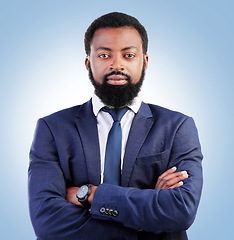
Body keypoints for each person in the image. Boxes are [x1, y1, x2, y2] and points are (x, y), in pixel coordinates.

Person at [28, 12, 203, 240]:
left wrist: (91, 195)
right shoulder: (52, 128)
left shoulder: (178, 127)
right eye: (104, 55)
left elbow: (181, 211)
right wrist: (145, 220)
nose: (117, 65)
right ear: (88, 63)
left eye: (128, 55)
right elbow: (46, 220)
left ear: (144, 61)